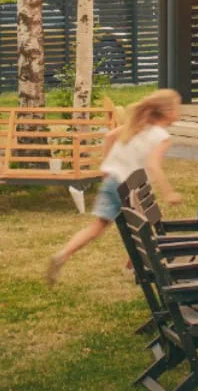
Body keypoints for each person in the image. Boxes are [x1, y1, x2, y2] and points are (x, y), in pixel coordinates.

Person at [47, 89, 183, 284]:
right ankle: (132, 269)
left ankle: (63, 254)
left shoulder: (137, 126)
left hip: (112, 180)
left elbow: (110, 136)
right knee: (143, 229)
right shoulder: (161, 136)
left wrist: (106, 164)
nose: (180, 111)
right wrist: (169, 193)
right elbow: (153, 164)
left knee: (98, 227)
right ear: (167, 112)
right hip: (131, 186)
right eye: (178, 106)